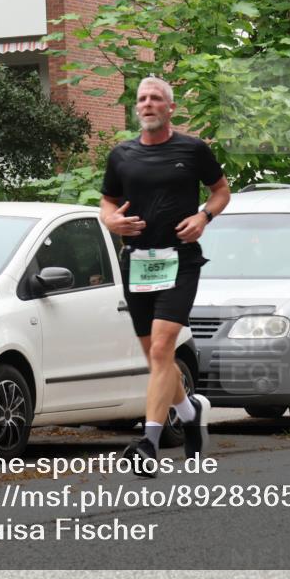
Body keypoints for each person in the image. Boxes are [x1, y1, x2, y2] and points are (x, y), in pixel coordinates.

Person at [100, 76, 230, 477]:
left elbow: (221, 191)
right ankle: (190, 414)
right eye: (142, 99)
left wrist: (203, 217)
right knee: (155, 357)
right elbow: (107, 203)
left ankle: (148, 443)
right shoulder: (121, 155)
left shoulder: (192, 150)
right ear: (136, 108)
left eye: (156, 98)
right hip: (138, 262)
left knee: (161, 351)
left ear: (170, 108)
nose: (148, 103)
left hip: (180, 261)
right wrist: (111, 221)